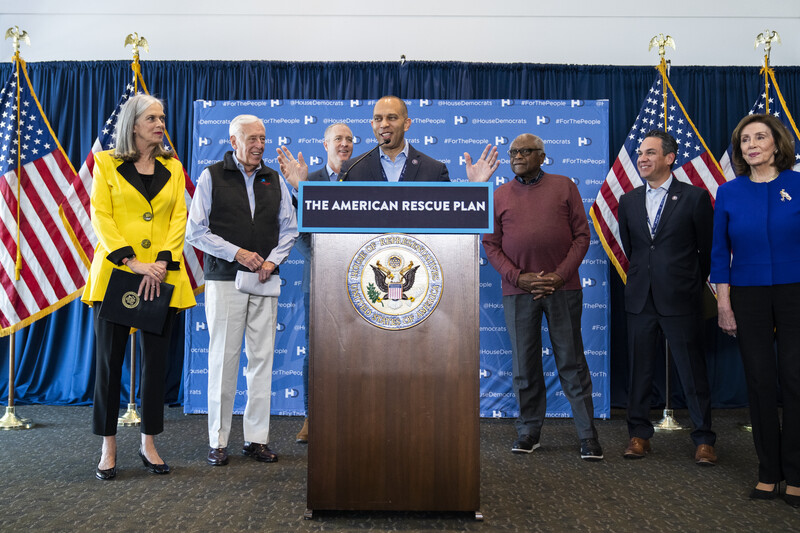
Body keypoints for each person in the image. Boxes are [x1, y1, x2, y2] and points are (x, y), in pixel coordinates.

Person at [82, 94, 196, 480]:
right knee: (109, 365)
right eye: (152, 118)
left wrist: (161, 261)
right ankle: (108, 446)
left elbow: (179, 216)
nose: (160, 123)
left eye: (162, 117)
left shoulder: (173, 167)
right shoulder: (105, 164)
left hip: (161, 277)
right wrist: (132, 260)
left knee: (154, 366)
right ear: (133, 124)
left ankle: (149, 443)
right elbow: (101, 216)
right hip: (118, 274)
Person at [482, 133, 603, 461]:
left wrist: (559, 275)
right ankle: (528, 431)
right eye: (513, 152)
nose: (517, 156)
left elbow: (582, 235)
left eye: (525, 151)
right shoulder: (500, 195)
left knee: (571, 361)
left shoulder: (564, 186)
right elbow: (490, 244)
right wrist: (518, 277)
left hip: (562, 288)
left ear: (542, 156)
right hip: (518, 291)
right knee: (524, 364)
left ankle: (588, 436)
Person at [186, 114, 298, 466]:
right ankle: (218, 442)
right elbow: (196, 231)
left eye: (263, 138)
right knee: (223, 360)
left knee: (262, 361)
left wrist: (270, 261)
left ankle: (256, 440)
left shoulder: (273, 179)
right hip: (224, 281)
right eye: (252, 138)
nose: (259, 145)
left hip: (265, 280)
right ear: (233, 141)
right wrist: (238, 253)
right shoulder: (212, 176)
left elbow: (290, 229)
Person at [711, 114, 800, 506]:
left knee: (796, 382)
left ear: (778, 144)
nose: (751, 144)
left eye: (760, 137)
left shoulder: (799, 185)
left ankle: (796, 476)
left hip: (795, 290)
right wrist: (724, 304)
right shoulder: (729, 192)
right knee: (760, 383)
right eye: (745, 139)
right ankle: (769, 472)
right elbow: (718, 253)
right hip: (746, 293)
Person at [618, 129, 716, 465]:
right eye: (640, 153)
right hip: (640, 299)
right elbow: (633, 249)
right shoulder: (628, 201)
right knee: (639, 372)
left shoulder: (695, 198)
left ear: (670, 158)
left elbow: (706, 251)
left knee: (692, 371)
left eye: (650, 153)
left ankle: (704, 440)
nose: (642, 158)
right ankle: (638, 435)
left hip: (681, 297)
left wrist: (687, 281)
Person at [276, 122, 354, 443]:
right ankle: (312, 416)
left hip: (360, 282)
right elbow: (299, 235)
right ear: (325, 145)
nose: (345, 144)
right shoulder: (310, 182)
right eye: (338, 138)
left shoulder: (365, 180)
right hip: (319, 280)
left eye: (350, 139)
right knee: (317, 351)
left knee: (359, 350)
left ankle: (355, 414)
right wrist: (300, 189)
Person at [338, 95, 498, 182]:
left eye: (392, 118)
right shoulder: (352, 170)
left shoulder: (435, 171)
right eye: (378, 119)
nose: (384, 124)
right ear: (372, 124)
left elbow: (451, 221)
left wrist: (475, 188)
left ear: (406, 124)